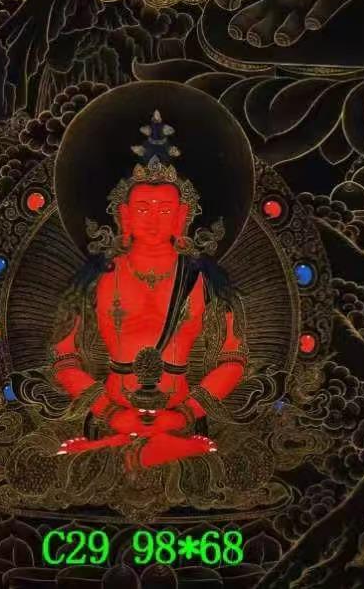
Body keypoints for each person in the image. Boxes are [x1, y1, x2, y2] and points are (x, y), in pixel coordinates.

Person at [50, 111, 247, 469]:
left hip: (181, 419)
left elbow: (232, 358)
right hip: (110, 414)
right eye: (143, 209)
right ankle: (124, 445)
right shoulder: (95, 279)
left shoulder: (206, 281)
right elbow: (64, 357)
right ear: (124, 215)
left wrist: (185, 413)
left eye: (164, 209)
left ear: (182, 215)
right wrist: (110, 412)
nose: (153, 219)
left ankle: (147, 447)